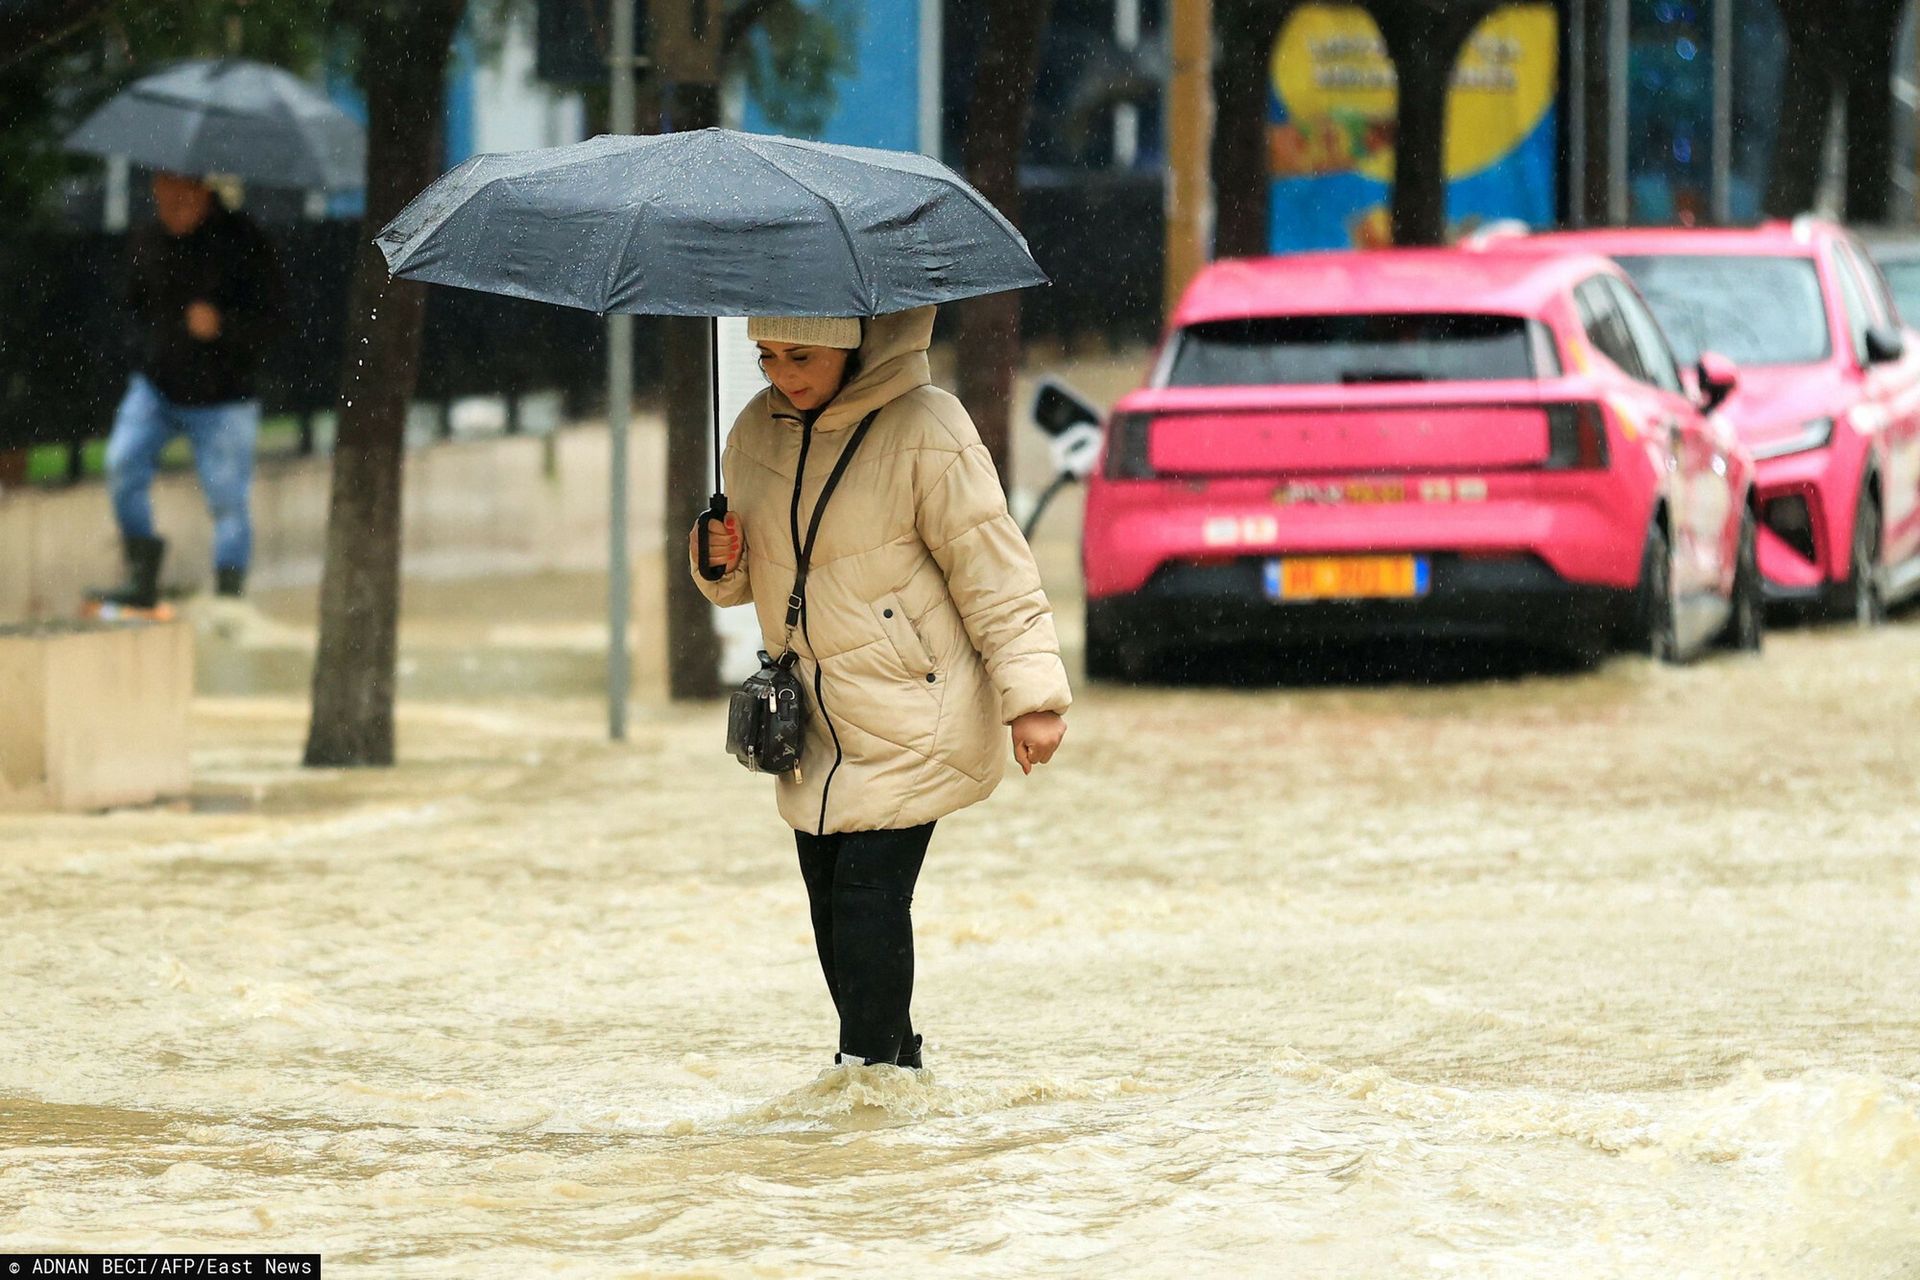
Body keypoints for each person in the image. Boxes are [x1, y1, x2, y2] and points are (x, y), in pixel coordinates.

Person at [689, 308, 1071, 1073]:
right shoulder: (754, 432)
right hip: (815, 728)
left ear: (853, 341)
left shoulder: (931, 428)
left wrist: (1032, 697)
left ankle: (862, 1096)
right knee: (831, 913)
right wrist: (715, 557)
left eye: (800, 354)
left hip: (915, 712)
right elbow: (741, 587)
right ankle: (894, 1089)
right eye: (766, 355)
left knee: (867, 907)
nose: (782, 374)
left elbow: (993, 569)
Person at [93, 171, 286, 609]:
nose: (169, 211)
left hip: (224, 397)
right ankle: (142, 574)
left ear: (203, 193)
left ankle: (229, 598)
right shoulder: (148, 239)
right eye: (161, 200)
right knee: (122, 465)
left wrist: (223, 327)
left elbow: (274, 320)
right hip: (158, 386)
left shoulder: (243, 242)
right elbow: (133, 305)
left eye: (179, 201)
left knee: (227, 501)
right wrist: (147, 349)